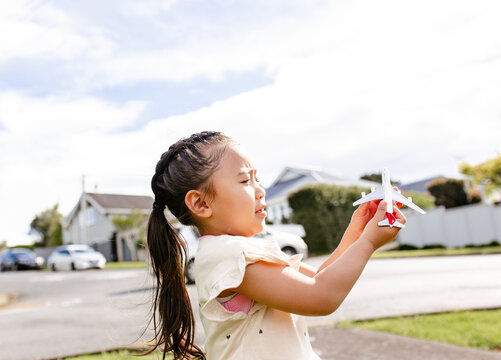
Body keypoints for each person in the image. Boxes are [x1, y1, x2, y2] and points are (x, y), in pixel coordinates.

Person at [145, 130, 406, 360]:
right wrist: (370, 241)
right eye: (245, 181)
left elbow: (318, 279)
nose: (260, 190)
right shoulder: (228, 254)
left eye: (257, 179)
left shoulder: (244, 248)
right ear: (201, 204)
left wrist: (356, 234)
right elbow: (321, 296)